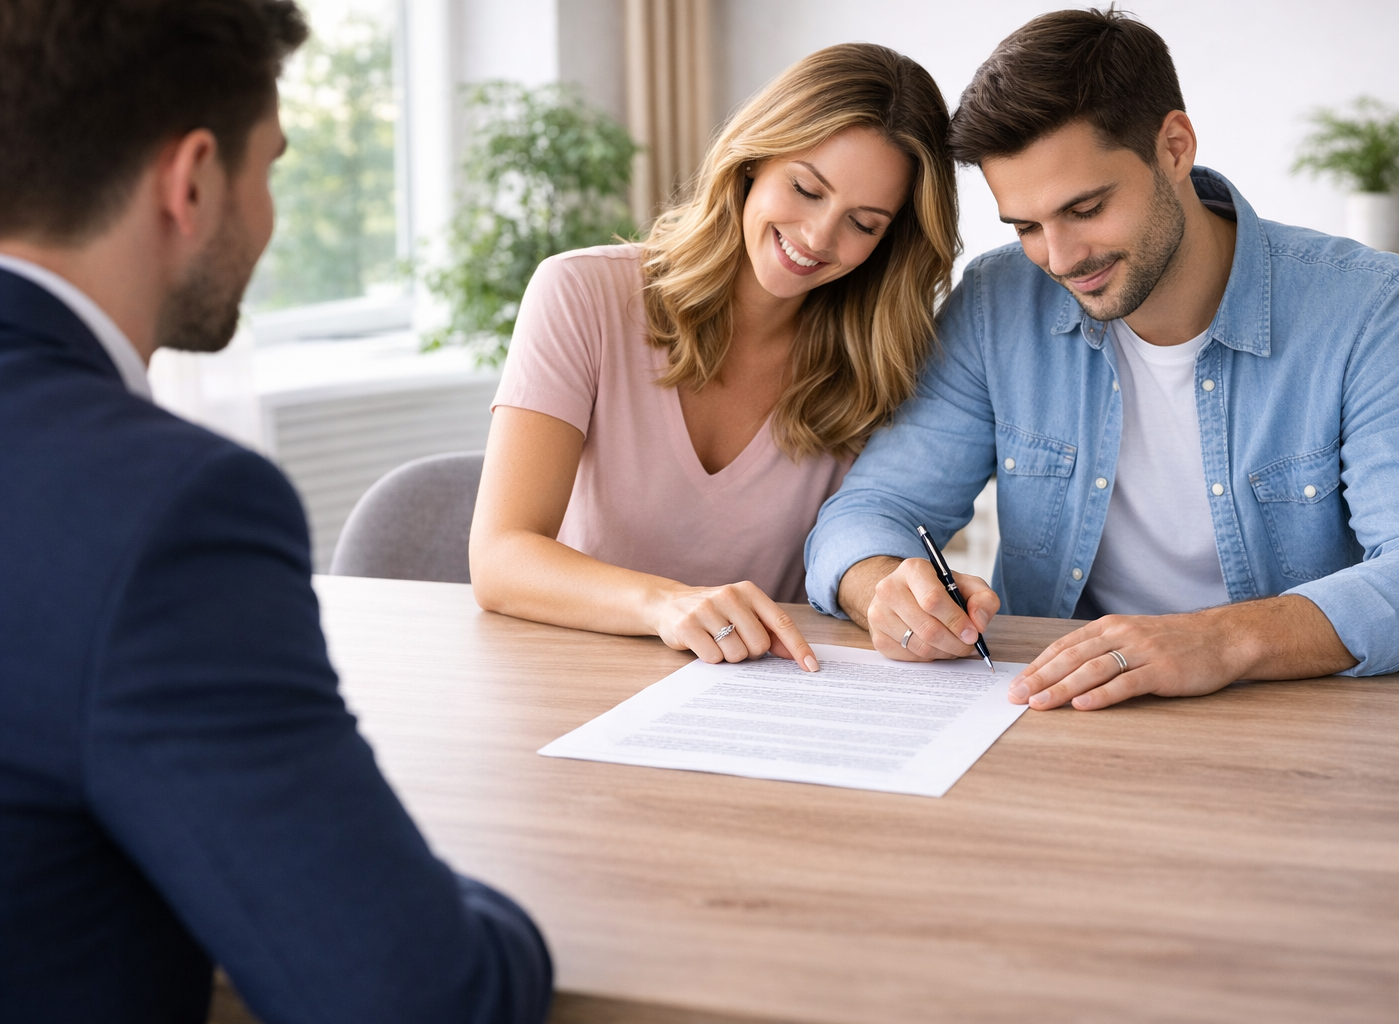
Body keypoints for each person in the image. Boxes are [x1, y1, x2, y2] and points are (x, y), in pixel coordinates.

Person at [0, 2, 550, 1021]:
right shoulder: (164, 510)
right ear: (194, 180)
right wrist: (462, 891)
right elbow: (420, 995)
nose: (267, 211)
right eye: (273, 167)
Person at [805, 8, 1399, 711]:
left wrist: (1221, 640)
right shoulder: (997, 304)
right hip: (1061, 717)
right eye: (1025, 225)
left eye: (1085, 208)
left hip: (1296, 722)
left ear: (1173, 147)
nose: (1059, 257)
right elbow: (871, 510)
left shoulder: (1372, 309)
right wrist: (885, 586)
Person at [469, 44, 959, 672]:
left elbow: (868, 541)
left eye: (863, 224)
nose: (817, 238)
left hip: (763, 696)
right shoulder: (581, 293)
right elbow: (501, 559)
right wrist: (667, 605)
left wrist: (912, 598)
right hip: (578, 677)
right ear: (753, 160)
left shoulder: (881, 361)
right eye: (806, 189)